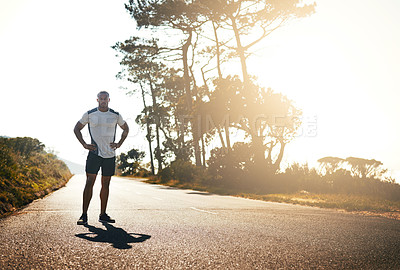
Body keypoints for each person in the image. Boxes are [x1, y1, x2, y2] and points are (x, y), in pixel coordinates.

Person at [74, 91, 129, 225]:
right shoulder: (90, 113)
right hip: (94, 153)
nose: (103, 101)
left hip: (110, 155)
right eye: (101, 99)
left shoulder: (115, 115)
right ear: (97, 100)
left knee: (106, 184)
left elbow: (126, 128)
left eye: (105, 99)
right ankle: (84, 215)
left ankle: (103, 214)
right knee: (89, 182)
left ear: (109, 100)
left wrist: (119, 144)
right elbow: (77, 128)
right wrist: (84, 144)